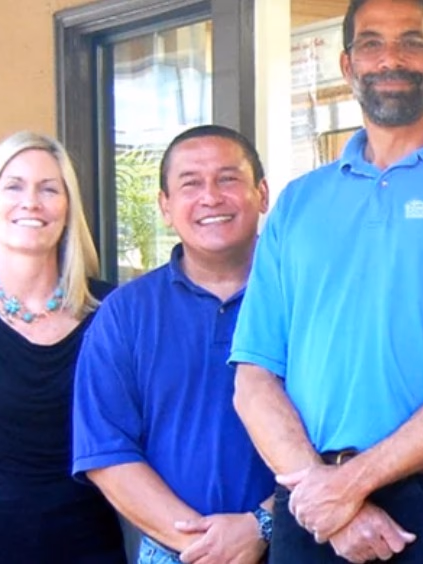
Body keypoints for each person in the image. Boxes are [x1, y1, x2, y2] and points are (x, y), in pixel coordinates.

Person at [230, 0, 423, 562]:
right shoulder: (299, 202)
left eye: (412, 42)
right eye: (371, 44)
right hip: (309, 503)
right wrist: (328, 496)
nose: (391, 59)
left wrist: (349, 487)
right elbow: (253, 380)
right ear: (347, 64)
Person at [72, 125, 275, 564]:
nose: (211, 197)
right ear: (165, 206)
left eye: (228, 179)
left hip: (299, 544)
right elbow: (106, 451)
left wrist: (262, 524)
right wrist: (205, 546)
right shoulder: (125, 313)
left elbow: (345, 432)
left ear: (262, 193)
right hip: (174, 554)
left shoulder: (309, 299)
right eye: (190, 184)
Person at [0, 131, 125, 563]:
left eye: (49, 189)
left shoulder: (110, 310)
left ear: (68, 210)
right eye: (14, 187)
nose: (31, 202)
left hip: (89, 550)